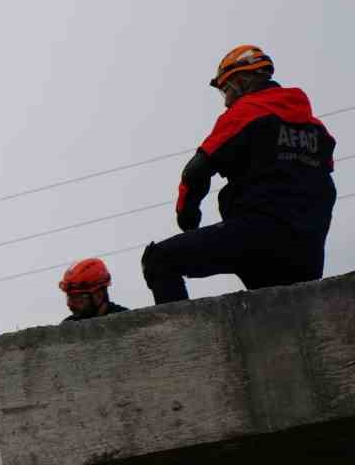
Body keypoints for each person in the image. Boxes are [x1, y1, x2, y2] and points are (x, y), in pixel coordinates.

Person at [142, 45, 336, 305]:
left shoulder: (245, 113)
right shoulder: (318, 129)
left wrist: (187, 216)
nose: (225, 100)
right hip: (308, 251)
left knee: (159, 259)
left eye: (226, 89)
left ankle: (179, 341)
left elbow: (195, 171)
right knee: (277, 312)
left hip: (256, 236)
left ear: (241, 79)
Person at [56, 258, 128, 323]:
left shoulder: (126, 321)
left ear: (99, 295)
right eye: (68, 297)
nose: (69, 304)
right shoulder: (68, 327)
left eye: (76, 298)